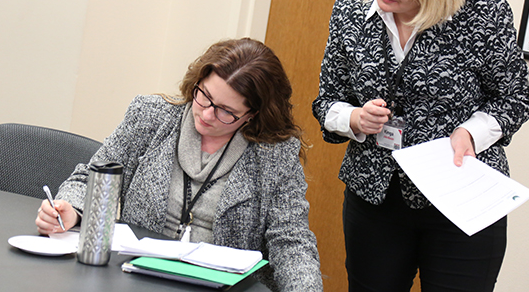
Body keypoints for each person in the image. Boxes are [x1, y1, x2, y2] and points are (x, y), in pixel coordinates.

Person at [312, 0, 529, 292]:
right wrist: (352, 119)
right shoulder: (349, 13)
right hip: (375, 198)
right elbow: (327, 99)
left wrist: (471, 133)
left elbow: (515, 97)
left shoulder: (483, 17)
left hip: (461, 200)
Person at [36, 37, 323, 292]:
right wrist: (71, 210)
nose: (208, 114)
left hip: (220, 285)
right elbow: (89, 178)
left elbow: (291, 240)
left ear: (252, 115)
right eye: (204, 97)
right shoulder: (150, 117)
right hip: (133, 278)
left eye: (226, 111)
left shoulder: (275, 154)